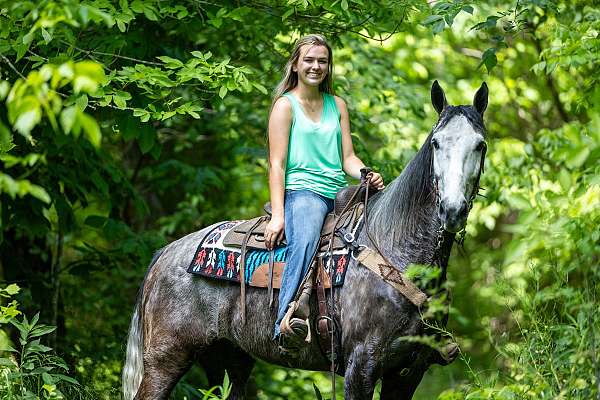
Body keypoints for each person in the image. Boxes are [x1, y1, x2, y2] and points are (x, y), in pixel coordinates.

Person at [264, 34, 385, 343]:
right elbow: (276, 164)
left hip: (340, 193)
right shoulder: (285, 106)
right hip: (303, 193)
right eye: (309, 60)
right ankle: (285, 323)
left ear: (329, 66)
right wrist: (278, 215)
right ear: (295, 64)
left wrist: (365, 174)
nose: (315, 66)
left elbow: (347, 157)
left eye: (322, 61)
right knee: (304, 240)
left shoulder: (337, 105)